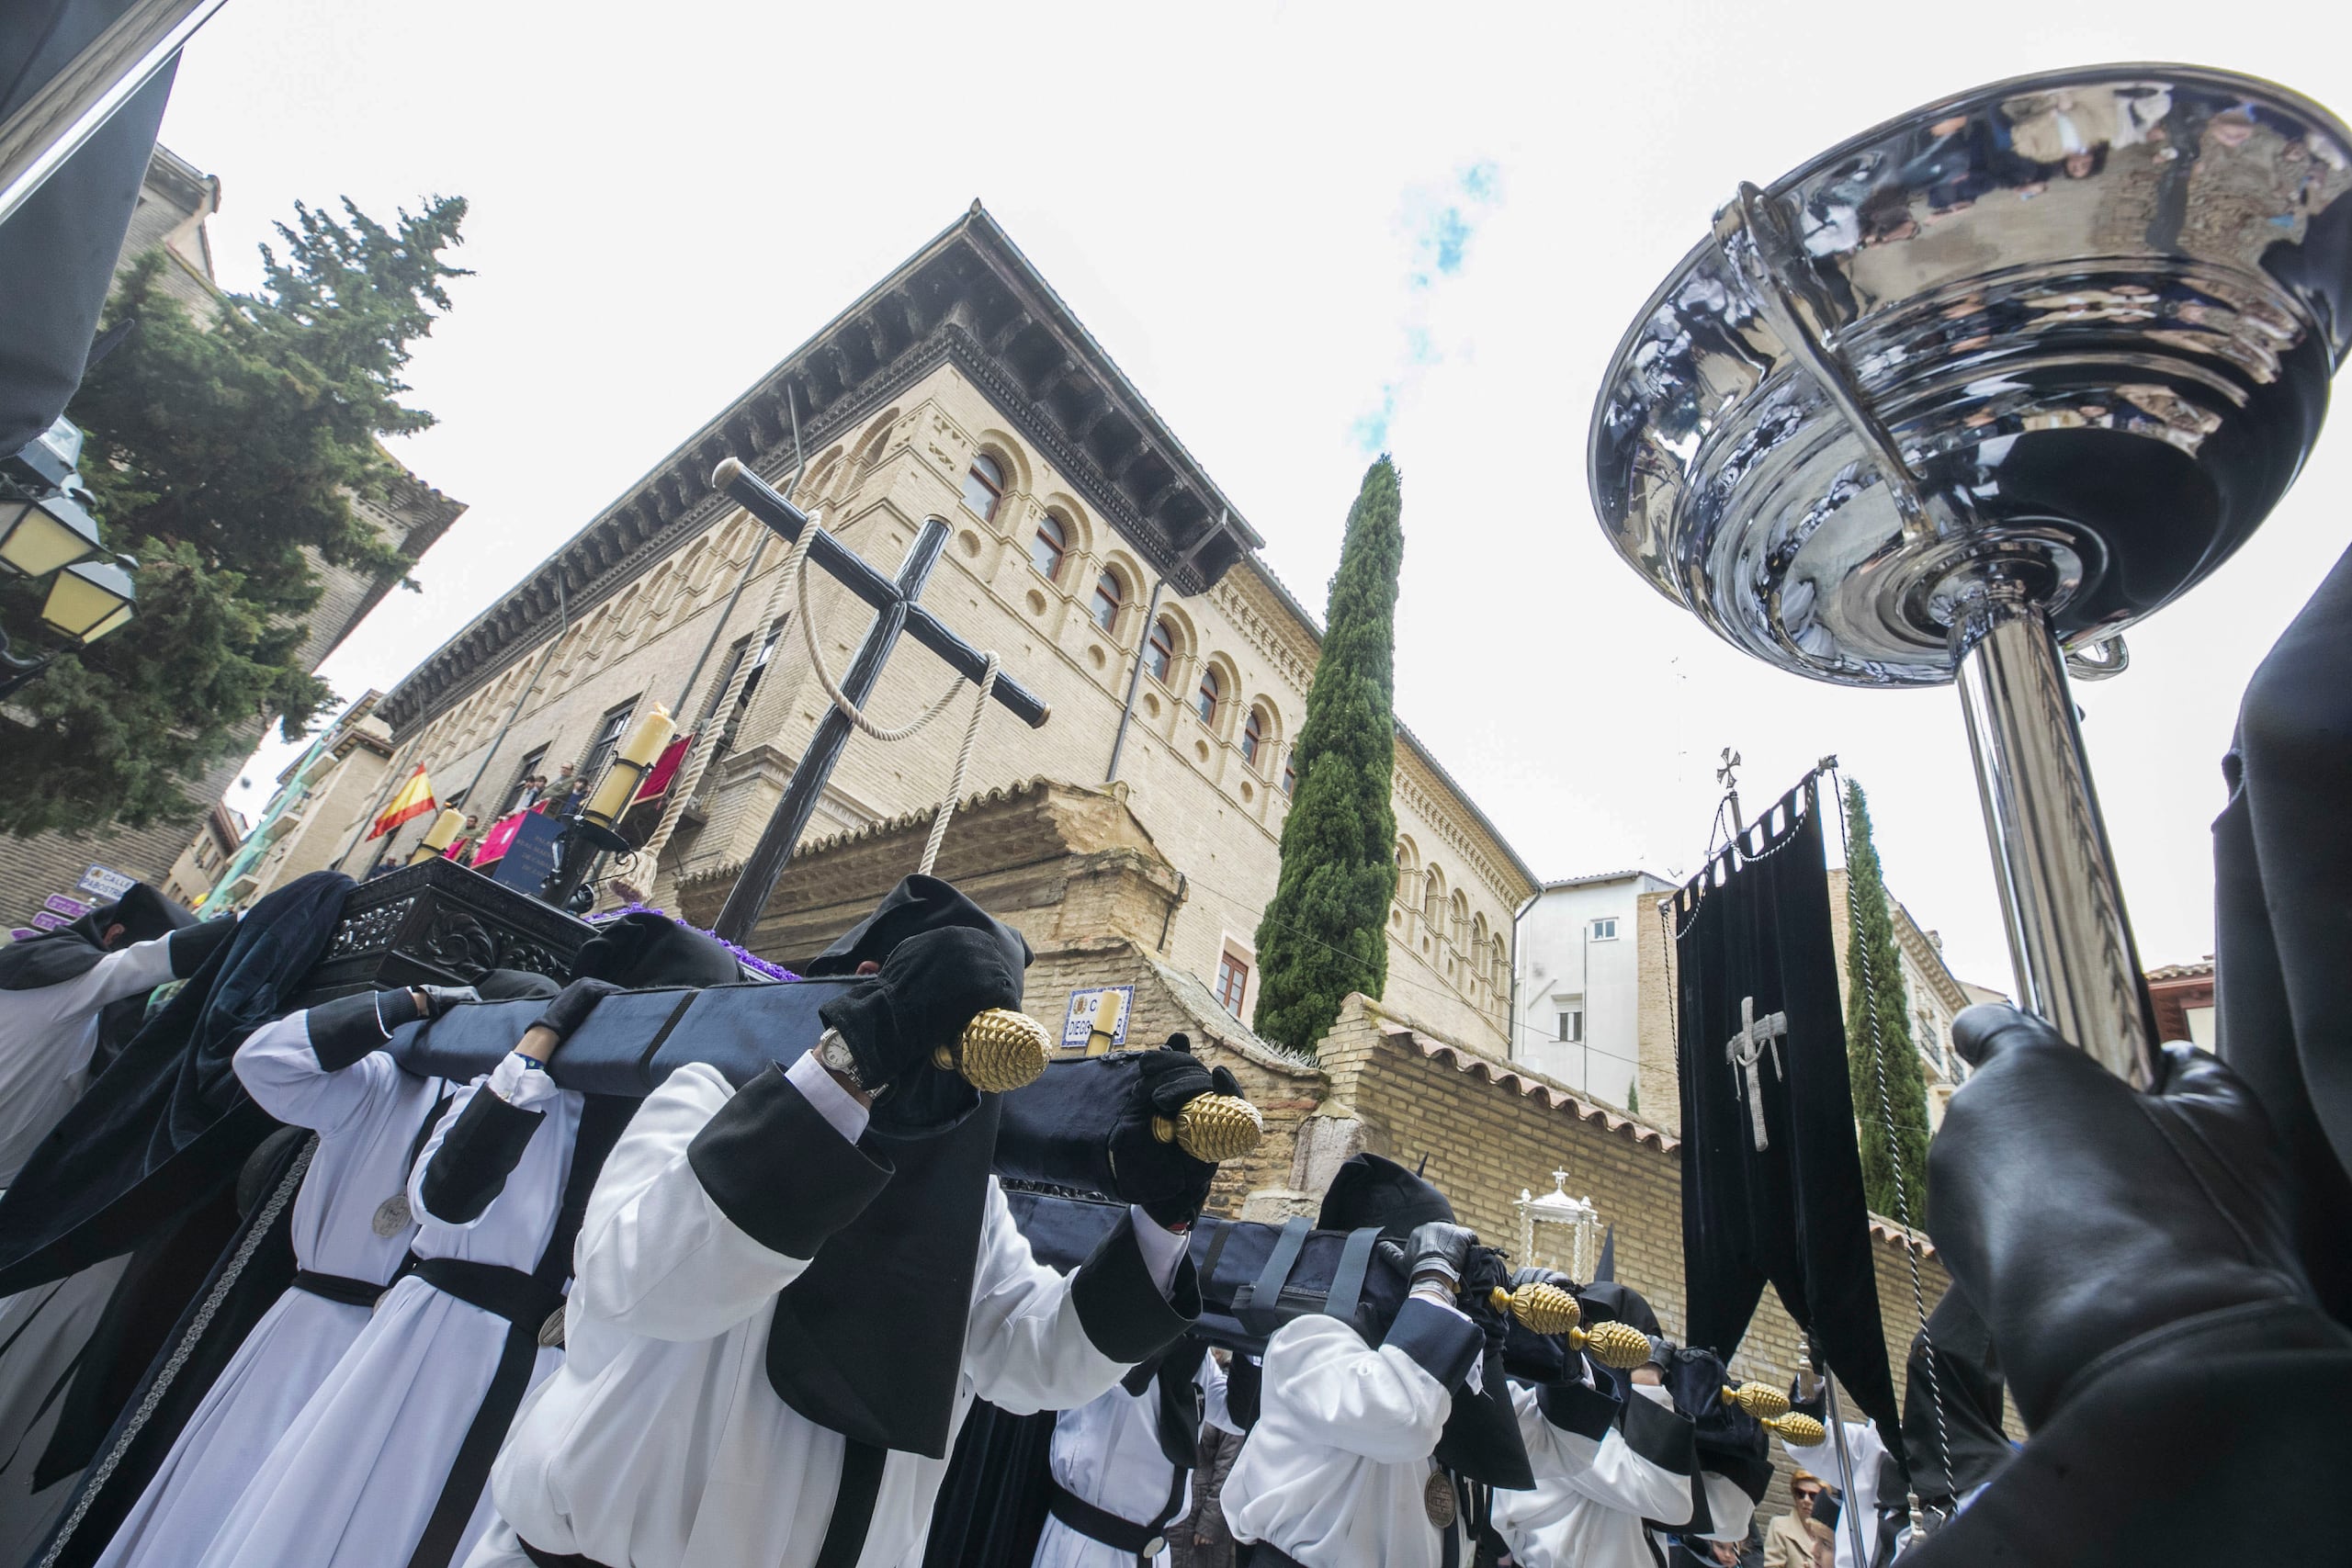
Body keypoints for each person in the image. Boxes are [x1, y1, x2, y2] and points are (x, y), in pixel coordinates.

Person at [464, 886, 1215, 1568]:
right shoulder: (711, 1093)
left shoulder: (971, 1198)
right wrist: (851, 1069)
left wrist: (1161, 1220)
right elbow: (643, 1281)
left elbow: (1033, 1356)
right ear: (868, 987)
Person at [194, 916, 741, 1568]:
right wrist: (533, 1052)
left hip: (552, 1376)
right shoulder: (520, 1083)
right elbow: (444, 1203)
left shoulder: (673, 1133)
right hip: (436, 1347)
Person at [90, 974, 554, 1568]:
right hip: (315, 1337)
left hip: (411, 1360)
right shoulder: (390, 1085)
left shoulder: (534, 1119)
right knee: (226, 1502)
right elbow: (263, 1061)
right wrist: (404, 1004)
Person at [1219, 1155, 1530, 1568]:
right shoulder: (1307, 1339)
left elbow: (1557, 1453)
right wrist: (1434, 1283)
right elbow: (1402, 1419)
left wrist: (1512, 1341)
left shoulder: (1427, 1359)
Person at [0, 885, 230, 1189]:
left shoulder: (82, 1004)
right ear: (114, 935)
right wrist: (265, 920)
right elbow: (151, 962)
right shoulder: (69, 980)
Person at [1489, 1280, 1702, 1568]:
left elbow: (1728, 1520)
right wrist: (1647, 1381)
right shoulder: (1556, 1421)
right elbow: (1672, 1502)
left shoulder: (1600, 1428)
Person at [1031, 1344, 1234, 1568]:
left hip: (1154, 1550)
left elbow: (1233, 1414)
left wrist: (1255, 1328)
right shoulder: (1122, 1324)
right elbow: (1126, 1385)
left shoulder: (1198, 1354)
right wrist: (1178, 1321)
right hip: (1091, 1543)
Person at [1762, 1472, 1825, 1568]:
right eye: (1801, 1494)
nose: (1806, 1500)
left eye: (1813, 1496)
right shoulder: (1780, 1527)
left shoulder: (1830, 1534)